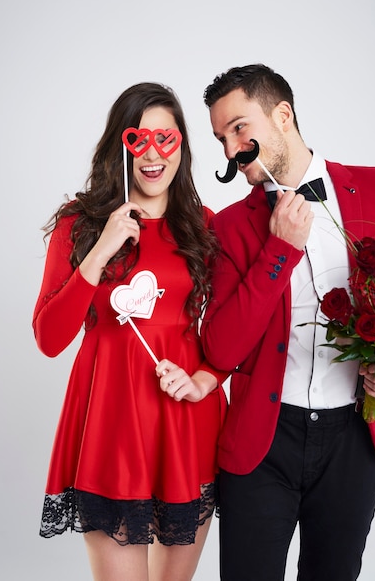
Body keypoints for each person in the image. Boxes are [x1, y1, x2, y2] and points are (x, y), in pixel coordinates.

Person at [200, 64, 375, 580]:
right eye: (221, 138)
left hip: (356, 436)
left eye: (240, 128)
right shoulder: (232, 227)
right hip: (263, 440)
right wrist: (279, 249)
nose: (229, 150)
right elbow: (220, 349)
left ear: (282, 115)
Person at [33, 82, 228, 581]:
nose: (152, 153)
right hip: (111, 427)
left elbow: (227, 336)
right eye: (139, 138)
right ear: (120, 144)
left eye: (166, 138)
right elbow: (50, 339)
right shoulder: (79, 225)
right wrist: (101, 250)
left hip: (186, 427)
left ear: (182, 145)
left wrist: (203, 376)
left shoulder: (202, 227)